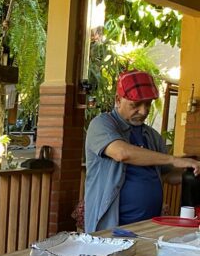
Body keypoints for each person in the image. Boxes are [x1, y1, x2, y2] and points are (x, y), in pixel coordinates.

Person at [84, 70, 200, 232]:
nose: (143, 111)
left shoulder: (151, 136)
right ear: (118, 100)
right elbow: (122, 153)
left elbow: (166, 174)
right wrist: (174, 159)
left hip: (148, 227)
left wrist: (192, 171)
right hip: (112, 227)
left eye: (147, 104)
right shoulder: (102, 124)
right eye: (135, 104)